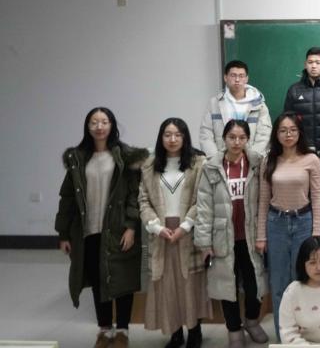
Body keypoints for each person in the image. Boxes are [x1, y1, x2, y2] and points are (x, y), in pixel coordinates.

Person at [56, 107, 148, 348]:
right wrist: (63, 233)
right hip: (89, 231)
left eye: (104, 121)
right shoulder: (78, 158)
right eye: (94, 122)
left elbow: (134, 195)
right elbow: (67, 198)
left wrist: (131, 227)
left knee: (123, 281)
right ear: (87, 127)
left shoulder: (126, 157)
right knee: (99, 282)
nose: (99, 126)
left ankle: (123, 331)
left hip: (118, 230)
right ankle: (105, 330)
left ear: (112, 125)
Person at [194, 119, 269, 348]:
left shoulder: (257, 164)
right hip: (222, 239)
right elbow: (204, 207)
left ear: (248, 139)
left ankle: (252, 321)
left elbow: (265, 200)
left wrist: (263, 234)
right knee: (228, 287)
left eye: (242, 137)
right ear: (224, 139)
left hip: (250, 237)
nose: (237, 142)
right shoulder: (211, 167)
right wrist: (204, 243)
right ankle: (234, 329)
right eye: (232, 137)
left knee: (255, 285)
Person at [139, 118, 211, 348]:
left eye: (178, 135)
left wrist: (185, 226)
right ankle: (175, 332)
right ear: (161, 138)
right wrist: (156, 227)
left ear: (185, 137)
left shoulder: (198, 163)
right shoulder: (149, 165)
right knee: (167, 286)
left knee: (190, 284)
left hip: (188, 231)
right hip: (161, 233)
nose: (172, 139)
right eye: (167, 135)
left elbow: (203, 198)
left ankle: (195, 331)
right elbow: (143, 200)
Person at [256, 112, 320, 337]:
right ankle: (283, 336)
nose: (288, 135)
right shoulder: (269, 160)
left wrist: (316, 233)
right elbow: (263, 200)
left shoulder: (311, 159)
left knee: (302, 281)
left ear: (300, 133)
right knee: (279, 284)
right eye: (283, 130)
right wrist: (261, 236)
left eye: (293, 130)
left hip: (303, 222)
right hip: (276, 224)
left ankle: (303, 336)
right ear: (276, 134)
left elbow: (317, 198)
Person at [198, 59, 272, 159]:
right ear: (225, 77)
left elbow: (264, 135)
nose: (237, 80)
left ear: (246, 79)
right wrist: (216, 159)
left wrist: (251, 159)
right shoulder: (214, 103)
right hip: (220, 160)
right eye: (233, 75)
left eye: (241, 76)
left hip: (251, 161)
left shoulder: (259, 105)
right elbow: (206, 133)